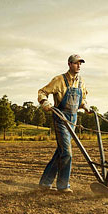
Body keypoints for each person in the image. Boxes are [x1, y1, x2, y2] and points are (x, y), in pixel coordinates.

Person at [37, 54, 92, 193]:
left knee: (61, 151)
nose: (78, 66)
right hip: (60, 117)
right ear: (69, 64)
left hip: (73, 119)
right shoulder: (59, 80)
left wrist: (85, 107)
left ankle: (45, 182)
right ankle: (63, 186)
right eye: (75, 63)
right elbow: (42, 92)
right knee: (67, 152)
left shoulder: (81, 82)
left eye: (80, 63)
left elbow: (82, 100)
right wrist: (45, 102)